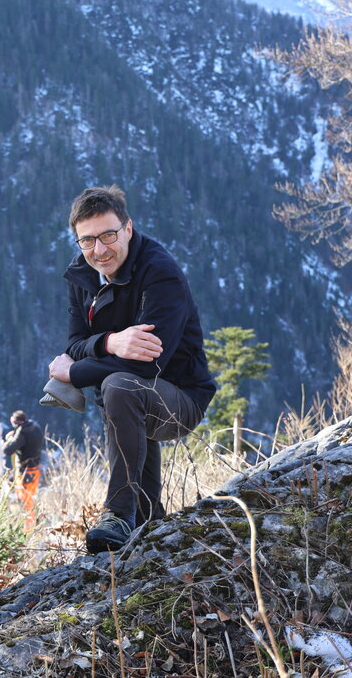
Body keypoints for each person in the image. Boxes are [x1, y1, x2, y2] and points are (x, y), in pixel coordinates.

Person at [48, 185, 216, 554]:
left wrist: (75, 374)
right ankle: (149, 518)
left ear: (128, 228)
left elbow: (150, 363)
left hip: (180, 398)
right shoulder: (82, 274)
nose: (99, 249)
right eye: (87, 240)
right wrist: (111, 342)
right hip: (129, 393)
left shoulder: (160, 273)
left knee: (120, 386)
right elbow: (74, 342)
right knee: (118, 385)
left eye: (108, 235)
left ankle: (119, 514)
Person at [2, 410, 45, 524]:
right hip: (36, 467)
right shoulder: (35, 426)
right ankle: (33, 523)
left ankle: (28, 527)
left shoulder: (22, 433)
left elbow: (7, 450)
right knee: (31, 498)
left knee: (26, 501)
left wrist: (9, 440)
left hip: (25, 471)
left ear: (16, 422)